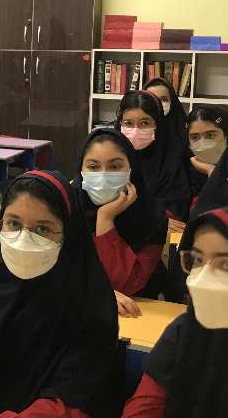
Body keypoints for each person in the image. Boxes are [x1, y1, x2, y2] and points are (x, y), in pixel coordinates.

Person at [0, 170, 119, 418]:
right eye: (14, 224)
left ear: (68, 234)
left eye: (43, 229)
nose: (25, 239)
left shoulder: (88, 303)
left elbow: (74, 397)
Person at [122, 206, 228, 417]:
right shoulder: (185, 331)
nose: (203, 278)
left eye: (225, 264)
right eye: (197, 260)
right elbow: (146, 404)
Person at [72, 129, 170, 313]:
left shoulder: (151, 217)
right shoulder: (67, 207)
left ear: (131, 168)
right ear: (81, 170)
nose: (103, 176)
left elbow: (124, 285)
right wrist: (94, 292)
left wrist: (105, 219)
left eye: (115, 167)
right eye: (93, 167)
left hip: (136, 310)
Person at [115, 90, 192, 230]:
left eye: (145, 123)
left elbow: (176, 212)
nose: (135, 130)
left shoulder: (172, 159)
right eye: (128, 123)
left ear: (158, 124)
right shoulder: (111, 155)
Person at [186, 105, 228, 198]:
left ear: (226, 136)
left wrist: (213, 172)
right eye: (195, 137)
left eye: (210, 135)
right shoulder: (180, 172)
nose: (202, 143)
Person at [144, 77, 188, 143]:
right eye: (152, 99)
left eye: (164, 99)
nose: (158, 103)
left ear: (172, 102)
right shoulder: (137, 131)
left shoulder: (185, 135)